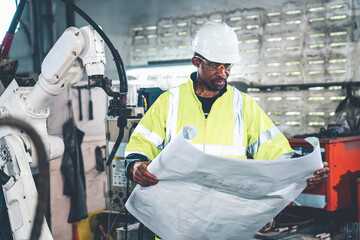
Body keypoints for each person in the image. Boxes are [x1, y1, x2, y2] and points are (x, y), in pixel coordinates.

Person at [124, 21, 329, 188]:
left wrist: (305, 169)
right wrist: (135, 166)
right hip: (175, 219)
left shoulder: (243, 105)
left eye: (227, 65)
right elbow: (141, 144)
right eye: (214, 65)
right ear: (196, 62)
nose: (223, 73)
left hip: (224, 217)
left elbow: (274, 150)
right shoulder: (169, 102)